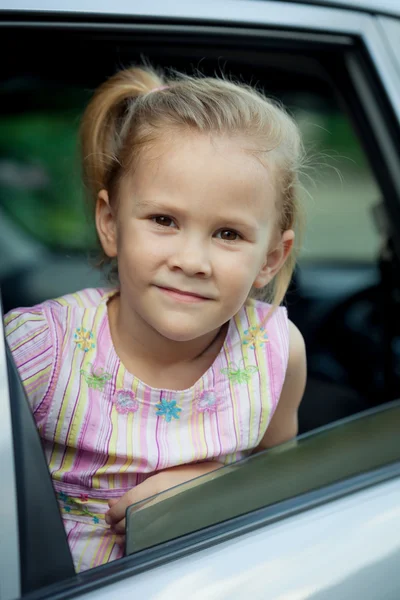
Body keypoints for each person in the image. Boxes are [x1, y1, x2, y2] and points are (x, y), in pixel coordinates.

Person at [4, 65, 307, 572]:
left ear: (273, 257)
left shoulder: (275, 351)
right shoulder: (36, 349)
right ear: (110, 224)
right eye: (164, 220)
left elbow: (280, 475)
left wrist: (213, 483)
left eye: (228, 233)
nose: (191, 260)